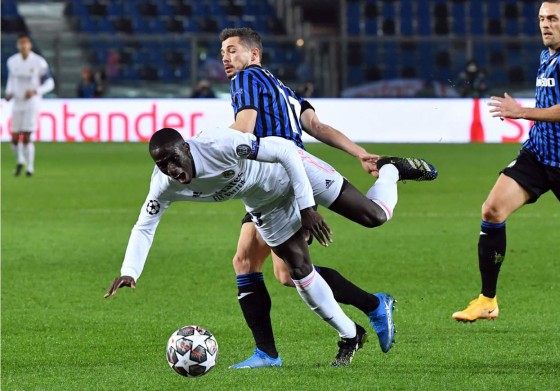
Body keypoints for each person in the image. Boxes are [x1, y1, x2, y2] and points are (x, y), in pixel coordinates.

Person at [220, 27, 438, 368]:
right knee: (264, 266)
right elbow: (317, 127)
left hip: (281, 177)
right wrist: (360, 153)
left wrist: (200, 146)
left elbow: (245, 127)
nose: (226, 57)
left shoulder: (245, 80)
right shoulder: (283, 89)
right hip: (287, 175)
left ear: (254, 55)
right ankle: (369, 308)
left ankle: (351, 322)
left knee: (283, 268)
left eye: (233, 50)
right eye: (223, 52)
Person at [104, 127, 368, 366]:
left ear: (186, 148)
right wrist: (130, 271)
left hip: (287, 173)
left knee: (374, 217)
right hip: (263, 202)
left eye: (173, 159)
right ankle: (348, 334)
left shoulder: (219, 145)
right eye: (162, 165)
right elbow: (144, 225)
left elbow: (285, 151)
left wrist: (306, 207)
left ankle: (391, 171)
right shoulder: (164, 185)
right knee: (295, 272)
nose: (170, 169)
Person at [452, 0, 560, 322]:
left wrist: (522, 112)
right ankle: (487, 300)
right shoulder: (547, 54)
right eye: (541, 18)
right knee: (492, 209)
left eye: (553, 18)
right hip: (537, 154)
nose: (546, 24)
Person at [4, 34, 55, 177]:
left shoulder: (39, 62)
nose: (23, 46)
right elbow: (11, 80)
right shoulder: (12, 61)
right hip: (17, 102)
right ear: (17, 46)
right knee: (14, 136)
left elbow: (50, 83)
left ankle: (30, 167)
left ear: (30, 45)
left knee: (26, 136)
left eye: (25, 44)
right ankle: (20, 160)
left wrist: (36, 91)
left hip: (32, 103)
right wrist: (9, 93)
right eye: (21, 44)